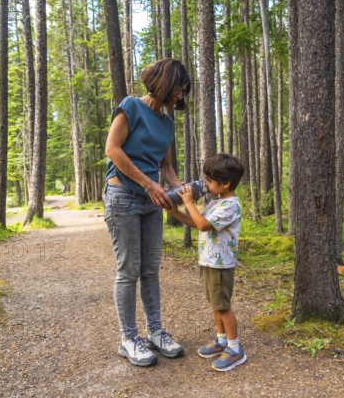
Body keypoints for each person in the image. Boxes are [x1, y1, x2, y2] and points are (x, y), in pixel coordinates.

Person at [104, 58, 191, 367]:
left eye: (183, 92)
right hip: (123, 197)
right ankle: (129, 339)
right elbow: (113, 149)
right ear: (166, 83)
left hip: (151, 201)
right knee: (129, 270)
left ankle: (156, 332)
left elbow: (165, 167)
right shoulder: (130, 106)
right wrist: (147, 183)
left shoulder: (167, 123)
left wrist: (182, 189)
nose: (181, 97)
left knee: (151, 269)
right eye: (179, 89)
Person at [167, 153, 247, 372]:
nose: (206, 185)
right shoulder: (217, 201)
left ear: (226, 183)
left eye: (210, 181)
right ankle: (221, 339)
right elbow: (196, 222)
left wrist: (188, 201)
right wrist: (173, 211)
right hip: (210, 262)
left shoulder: (231, 206)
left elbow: (203, 225)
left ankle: (235, 348)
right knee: (214, 304)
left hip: (221, 265)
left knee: (223, 306)